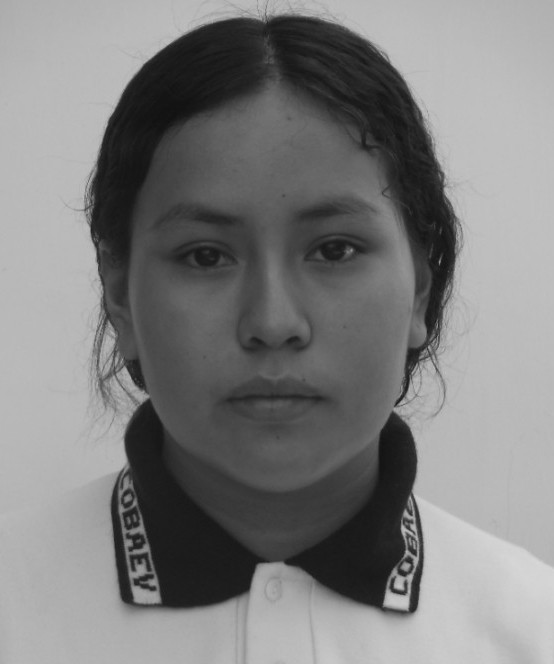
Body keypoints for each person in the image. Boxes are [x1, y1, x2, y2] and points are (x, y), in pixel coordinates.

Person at [1, 12, 553, 663]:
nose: (272, 323)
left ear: (421, 291)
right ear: (120, 296)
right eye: (206, 256)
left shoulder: (530, 629)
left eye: (335, 250)